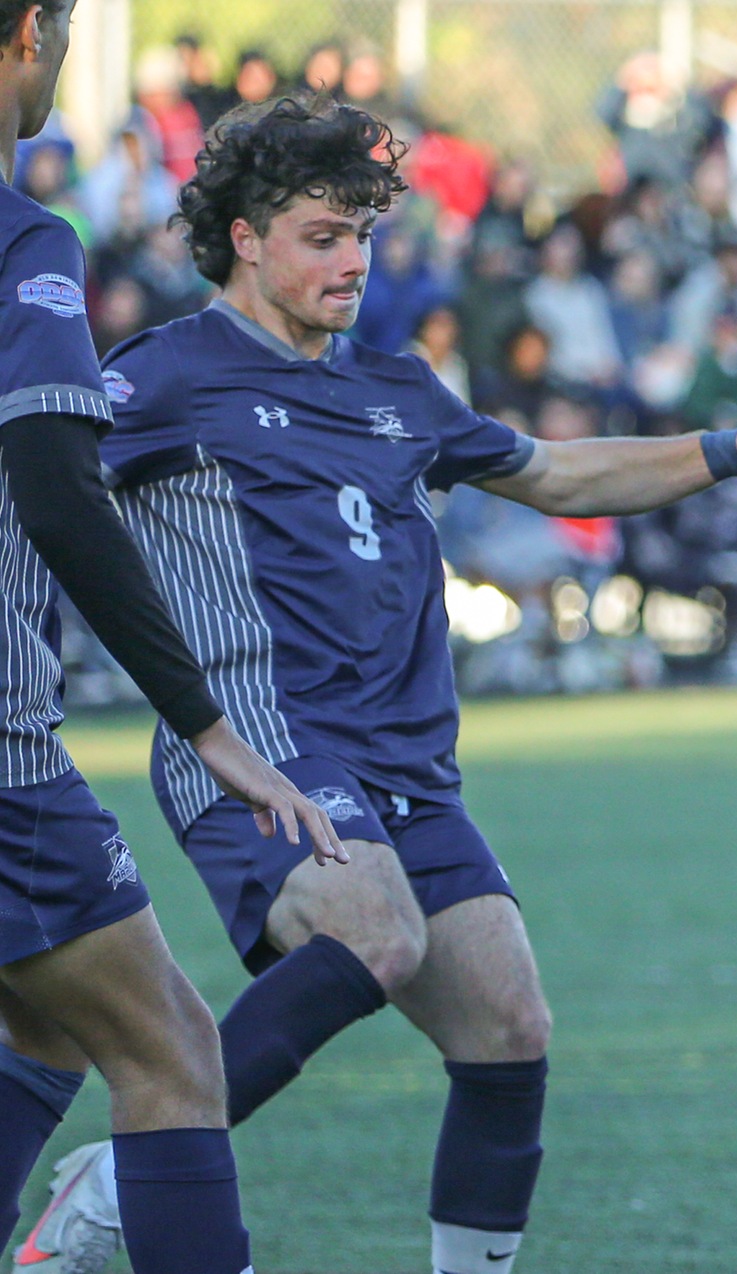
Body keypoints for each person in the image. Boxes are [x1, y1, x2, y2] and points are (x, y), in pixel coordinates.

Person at [41, 97, 737, 1274]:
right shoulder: (164, 374)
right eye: (322, 234)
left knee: (510, 1028)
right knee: (376, 928)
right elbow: (40, 476)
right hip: (262, 741)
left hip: (409, 760)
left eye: (364, 233)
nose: (353, 260)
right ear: (246, 237)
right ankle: (123, 1175)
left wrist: (734, 447)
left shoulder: (399, 387)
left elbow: (557, 470)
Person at [0, 5, 348, 1273]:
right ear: (32, 29)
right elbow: (53, 479)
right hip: (0, 758)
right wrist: (208, 722)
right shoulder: (26, 239)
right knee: (174, 1057)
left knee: (44, 1025)